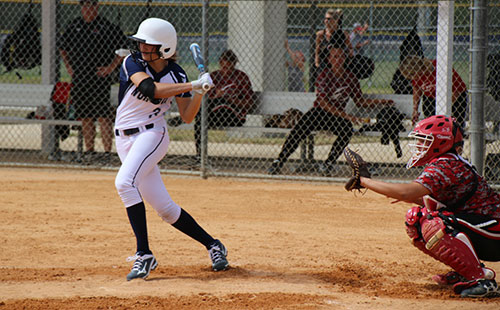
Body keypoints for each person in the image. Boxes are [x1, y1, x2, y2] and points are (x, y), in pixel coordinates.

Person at [114, 17, 229, 281]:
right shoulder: (132, 62)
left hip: (153, 135)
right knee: (165, 209)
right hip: (124, 140)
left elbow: (187, 116)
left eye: (149, 44)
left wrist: (200, 91)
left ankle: (144, 254)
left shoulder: (177, 74)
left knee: (124, 184)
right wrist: (193, 85)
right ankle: (214, 245)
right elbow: (150, 88)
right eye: (141, 42)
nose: (143, 47)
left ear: (164, 48)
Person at [354, 115, 500, 298]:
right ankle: (468, 270)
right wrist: (412, 198)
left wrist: (364, 181)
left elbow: (405, 192)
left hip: (494, 231)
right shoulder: (445, 161)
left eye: (425, 140)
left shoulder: (446, 164)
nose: (419, 145)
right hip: (486, 228)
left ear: (442, 142)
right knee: (416, 219)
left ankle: (481, 281)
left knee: (435, 223)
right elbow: (435, 201)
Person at [267, 40, 393, 176]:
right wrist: (348, 116)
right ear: (329, 59)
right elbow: (323, 103)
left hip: (336, 117)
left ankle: (328, 164)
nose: (338, 60)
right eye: (334, 57)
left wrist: (381, 102)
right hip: (319, 113)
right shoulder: (324, 75)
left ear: (345, 58)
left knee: (346, 130)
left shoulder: (351, 78)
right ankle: (278, 161)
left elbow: (360, 101)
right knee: (299, 129)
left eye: (340, 56)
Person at [60, 0, 127, 161]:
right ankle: (89, 152)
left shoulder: (107, 27)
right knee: (86, 116)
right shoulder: (74, 25)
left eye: (91, 5)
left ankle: (107, 153)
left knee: (103, 116)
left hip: (99, 79)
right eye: (84, 6)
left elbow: (123, 48)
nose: (87, 9)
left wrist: (110, 68)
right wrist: (69, 67)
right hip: (81, 78)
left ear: (97, 7)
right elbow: (63, 48)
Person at [169, 49, 254, 160]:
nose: (226, 71)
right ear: (220, 64)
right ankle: (200, 156)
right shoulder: (213, 76)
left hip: (234, 115)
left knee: (221, 102)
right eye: (223, 67)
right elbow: (204, 100)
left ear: (234, 64)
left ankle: (184, 118)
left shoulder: (241, 77)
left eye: (229, 68)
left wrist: (230, 99)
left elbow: (249, 104)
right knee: (201, 117)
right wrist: (217, 96)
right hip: (213, 114)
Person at [399, 56, 468, 128]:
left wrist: (444, 108)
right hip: (431, 98)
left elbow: (457, 90)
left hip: (455, 97)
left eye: (412, 75)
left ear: (420, 69)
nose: (413, 78)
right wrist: (415, 109)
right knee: (431, 123)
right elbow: (417, 88)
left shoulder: (439, 67)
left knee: (454, 125)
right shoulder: (417, 76)